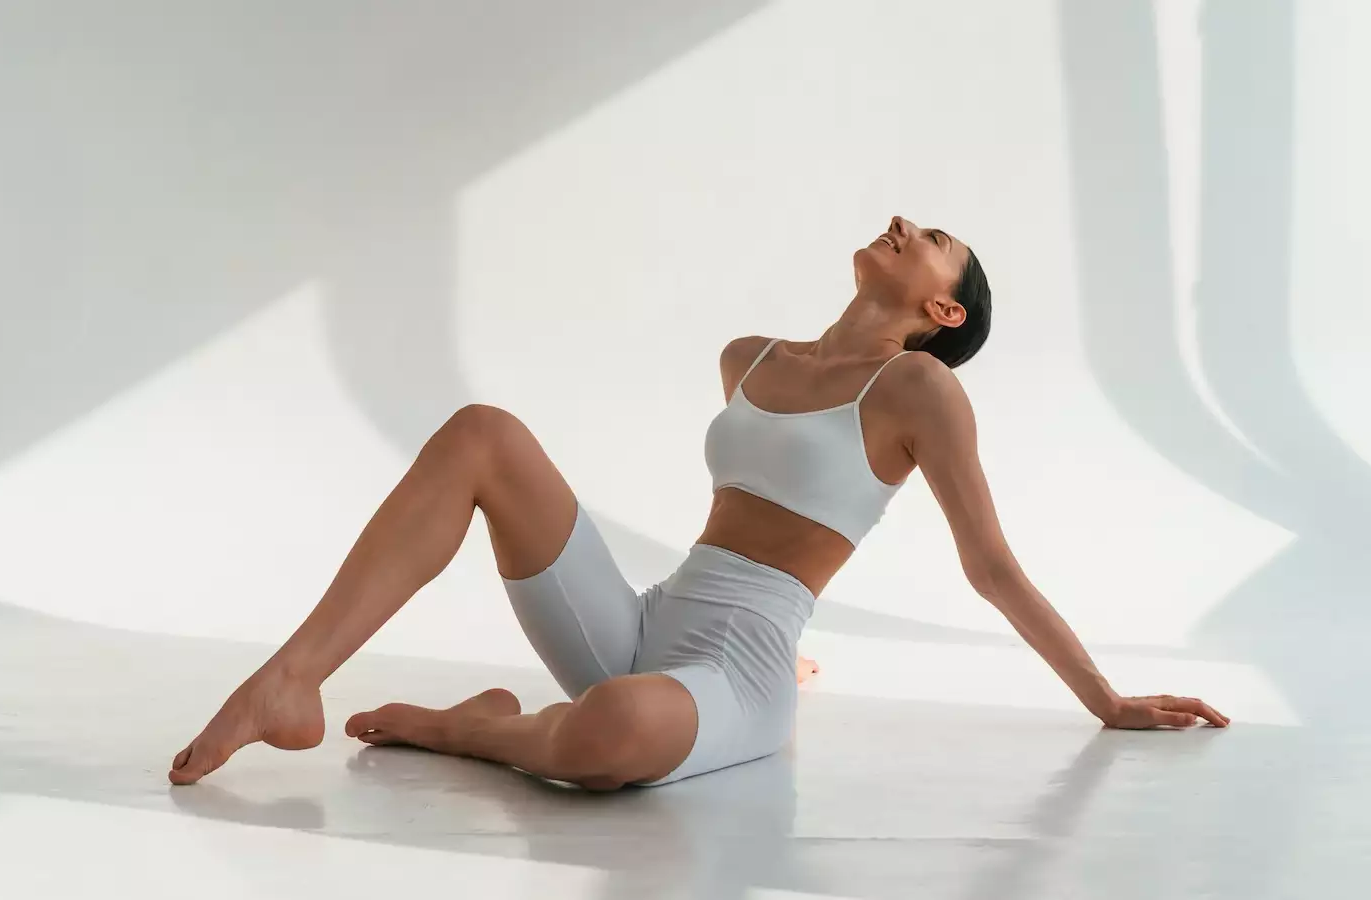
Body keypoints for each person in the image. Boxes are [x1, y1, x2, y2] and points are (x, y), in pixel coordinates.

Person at [168, 216, 1230, 790]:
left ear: (941, 309)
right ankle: (288, 680)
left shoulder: (918, 390)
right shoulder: (748, 357)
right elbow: (761, 502)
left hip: (737, 668)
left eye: (932, 236)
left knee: (615, 727)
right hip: (640, 623)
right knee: (483, 432)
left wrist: (1103, 699)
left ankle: (478, 731)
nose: (902, 222)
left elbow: (987, 566)